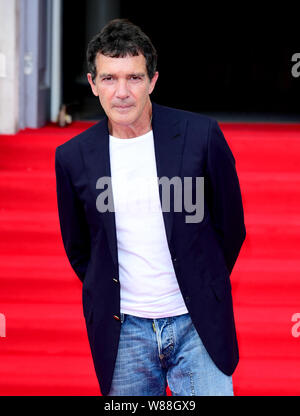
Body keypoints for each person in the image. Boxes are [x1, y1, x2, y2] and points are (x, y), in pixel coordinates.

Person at [55, 18, 246, 396]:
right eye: (109, 78)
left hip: (196, 324)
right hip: (124, 330)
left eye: (134, 78)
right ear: (92, 84)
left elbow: (231, 227)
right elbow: (80, 249)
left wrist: (202, 282)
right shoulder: (72, 156)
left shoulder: (201, 136)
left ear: (153, 81)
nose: (122, 92)